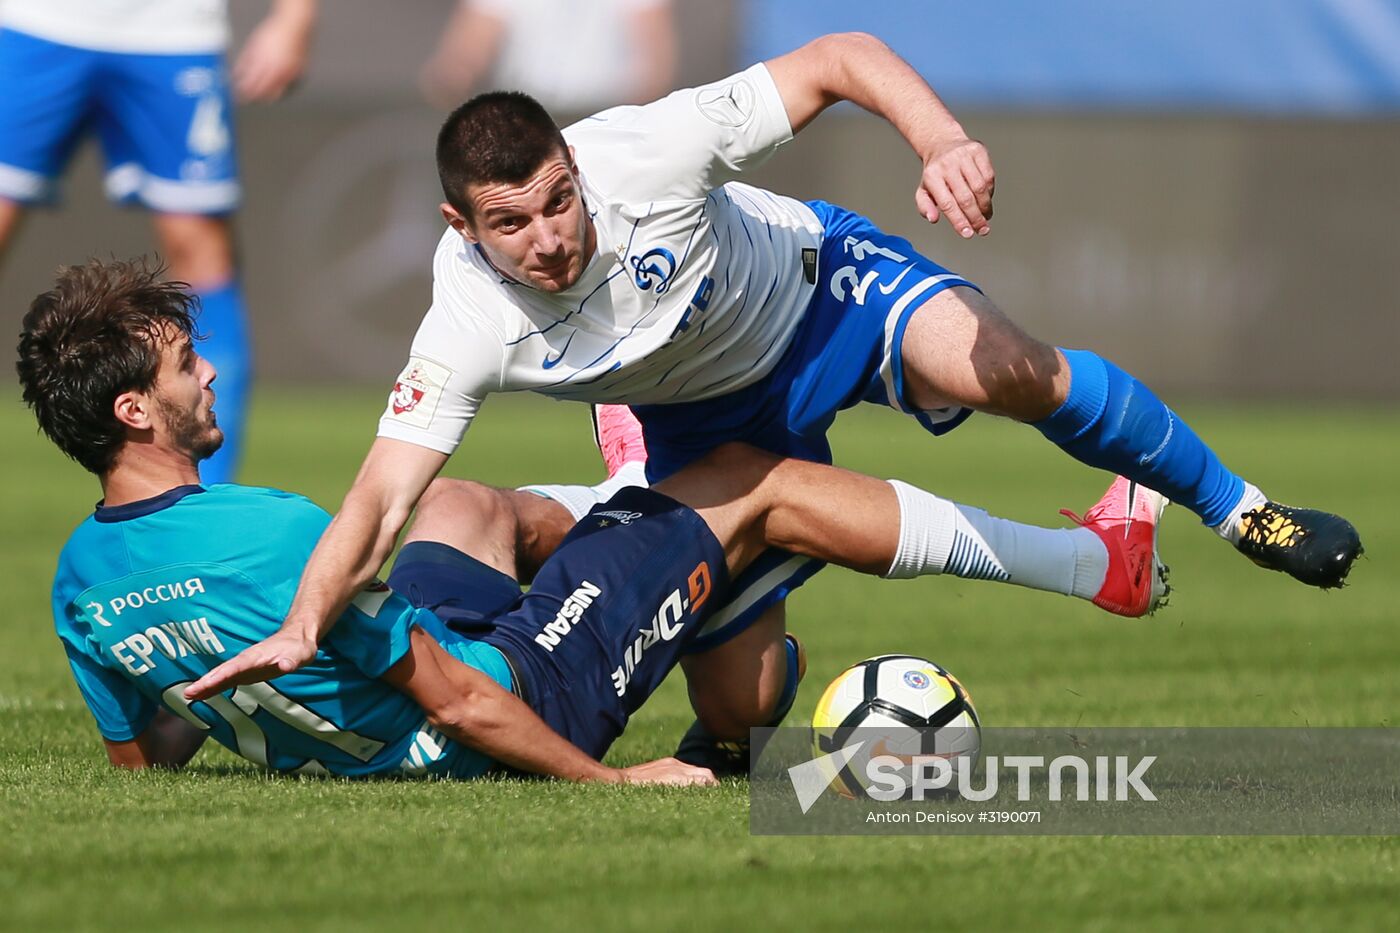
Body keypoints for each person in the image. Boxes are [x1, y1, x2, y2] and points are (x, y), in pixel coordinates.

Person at [193, 32, 1361, 763]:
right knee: (744, 718)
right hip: (707, 422)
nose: (548, 238)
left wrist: (938, 137)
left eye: (558, 200)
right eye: (511, 222)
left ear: (573, 164)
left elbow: (838, 57)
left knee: (1005, 367)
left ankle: (1236, 507)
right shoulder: (464, 321)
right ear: (462, 225)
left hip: (823, 297)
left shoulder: (645, 148)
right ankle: (652, 513)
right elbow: (379, 498)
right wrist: (302, 627)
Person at [20, 259, 1168, 780]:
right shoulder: (272, 535)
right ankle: (1091, 564)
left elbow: (147, 752)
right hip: (517, 694)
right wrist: (611, 785)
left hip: (376, 704)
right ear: (136, 411)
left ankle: (640, 521)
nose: (208, 373)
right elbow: (459, 698)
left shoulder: (78, 577)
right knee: (749, 477)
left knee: (470, 504)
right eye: (183, 365)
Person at [0, 0, 318, 484]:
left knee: (203, 254)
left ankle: (204, 497)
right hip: (34, 22)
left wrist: (294, 18)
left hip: (172, 29)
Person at [419, 0, 676, 113]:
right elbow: (474, 42)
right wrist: (453, 75)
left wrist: (629, 124)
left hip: (607, 116)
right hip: (524, 118)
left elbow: (654, 60)